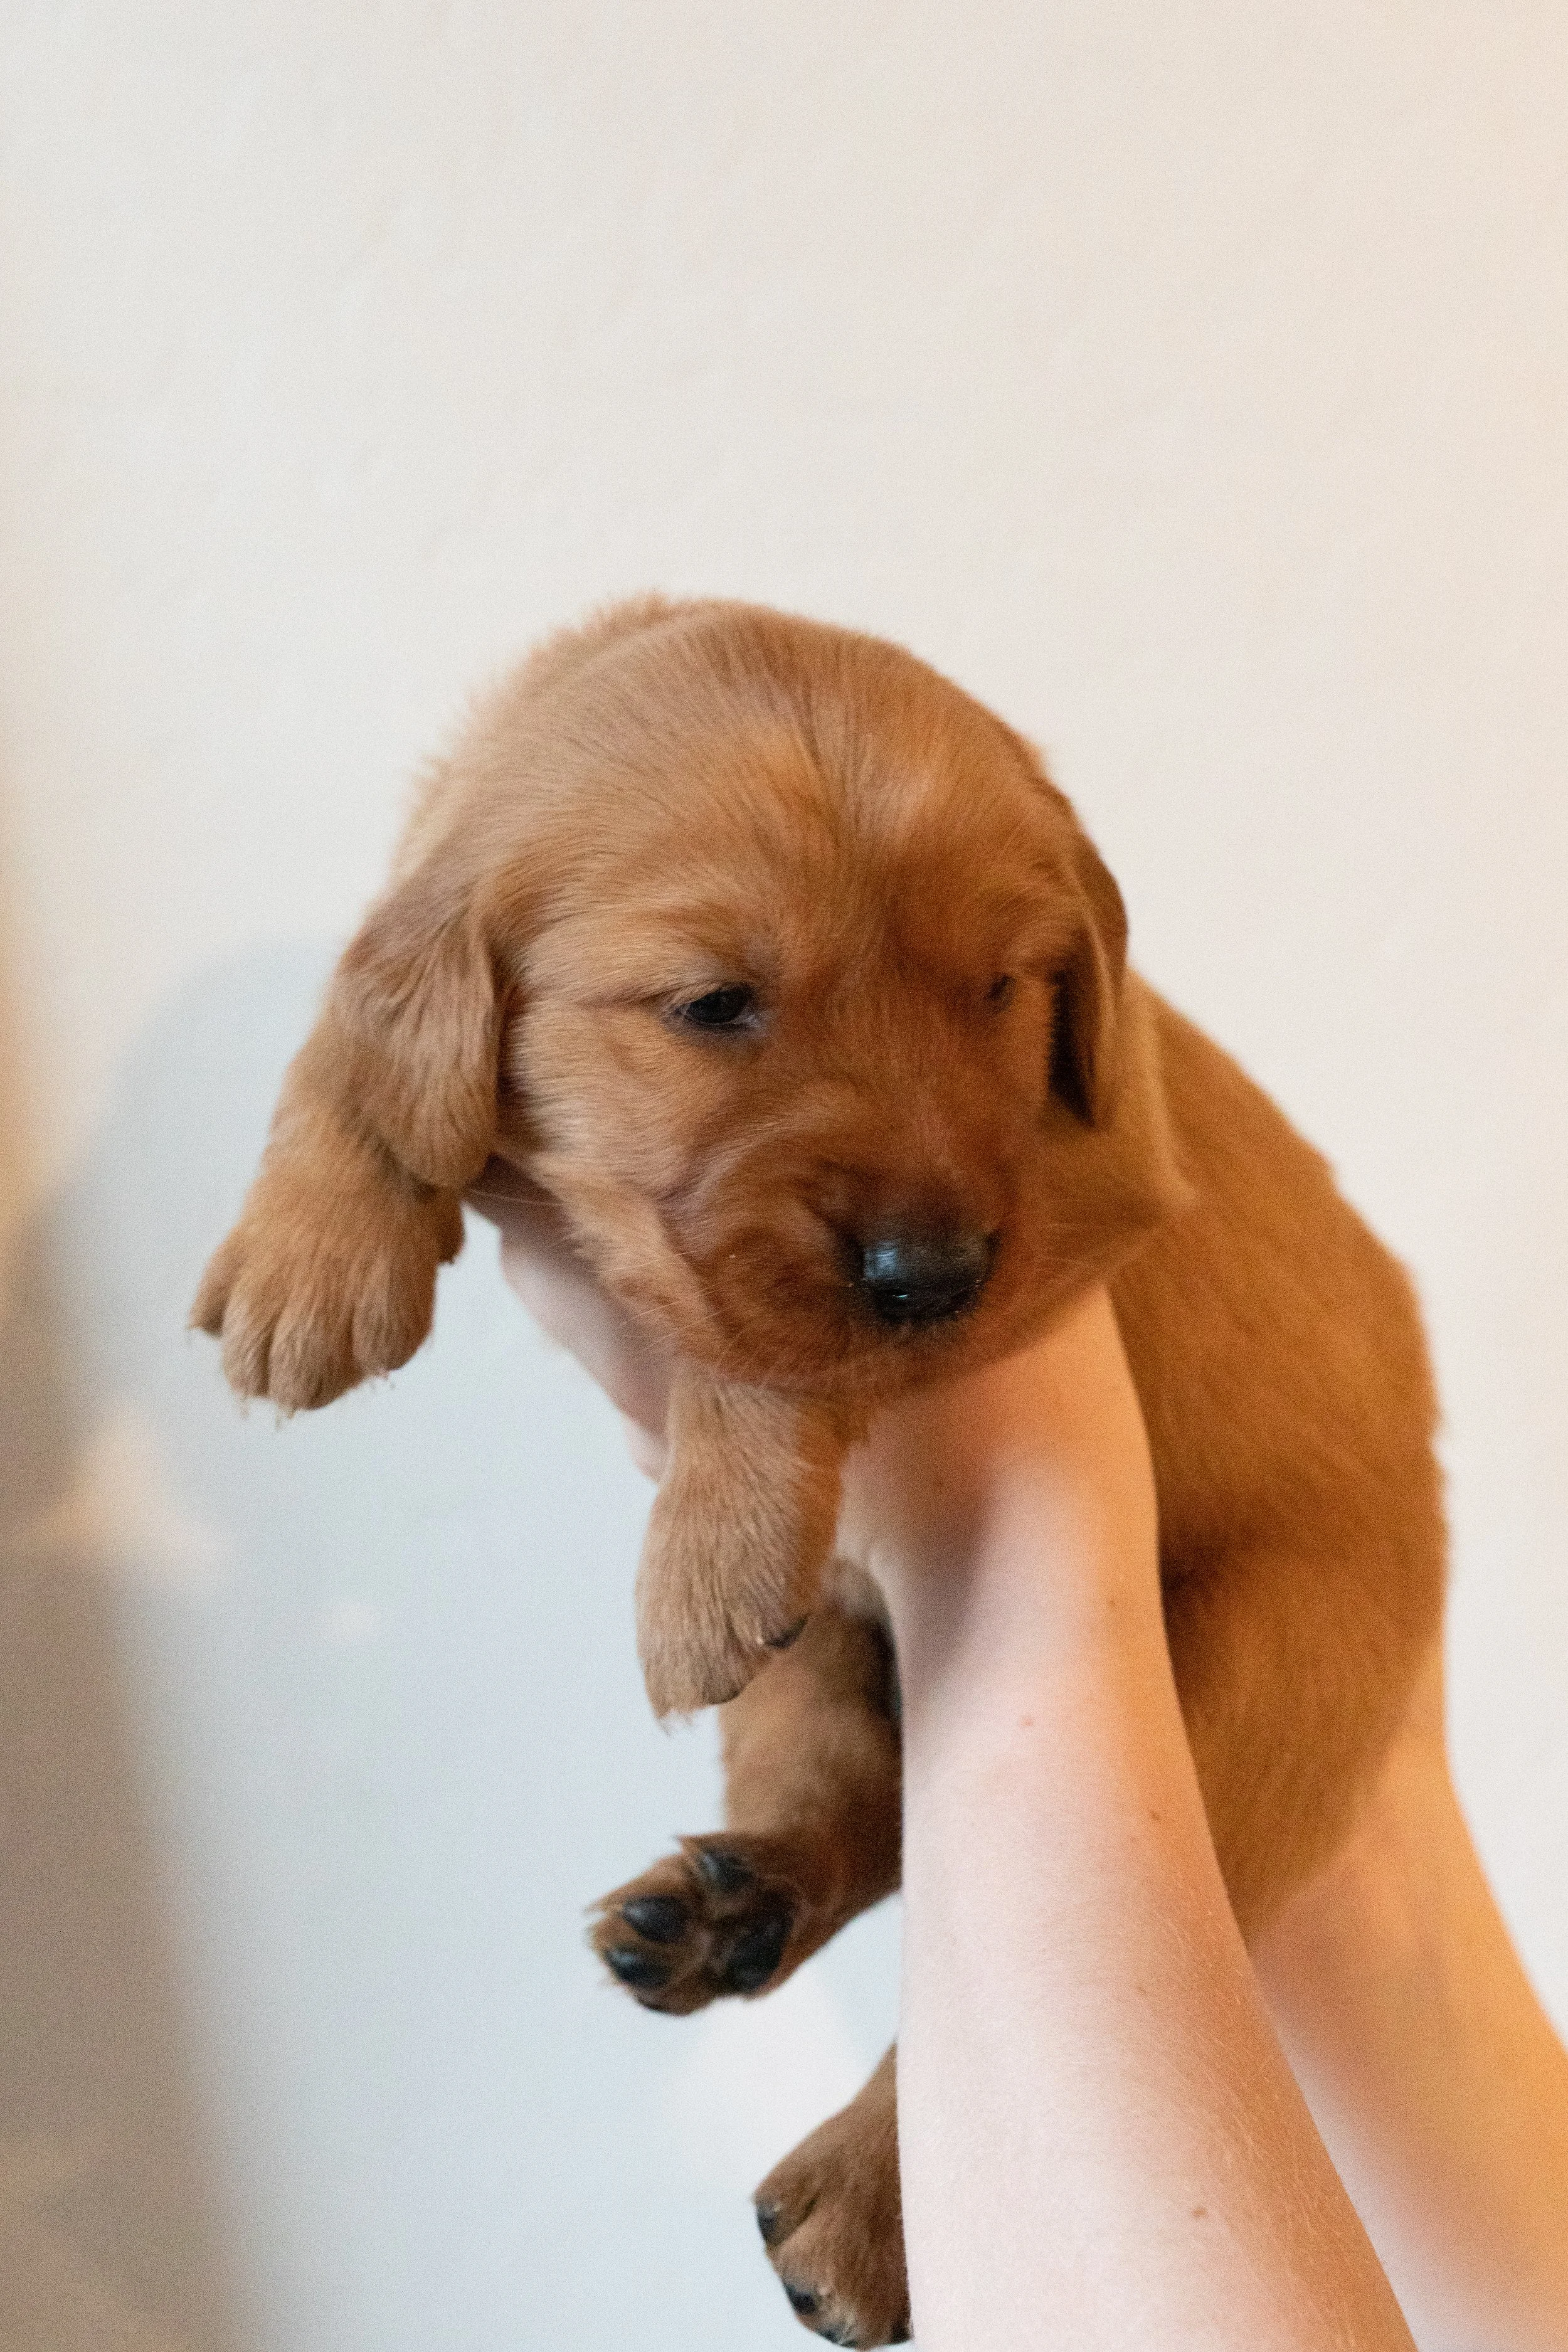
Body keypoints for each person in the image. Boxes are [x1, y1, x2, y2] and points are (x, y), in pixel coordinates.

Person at [482, 1187, 1568, 2349]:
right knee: (1349, 1838)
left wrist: (991, 1535)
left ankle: (904, 2059)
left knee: (1246, 1736)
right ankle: (814, 1843)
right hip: (1261, 1468)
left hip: (1266, 1521)